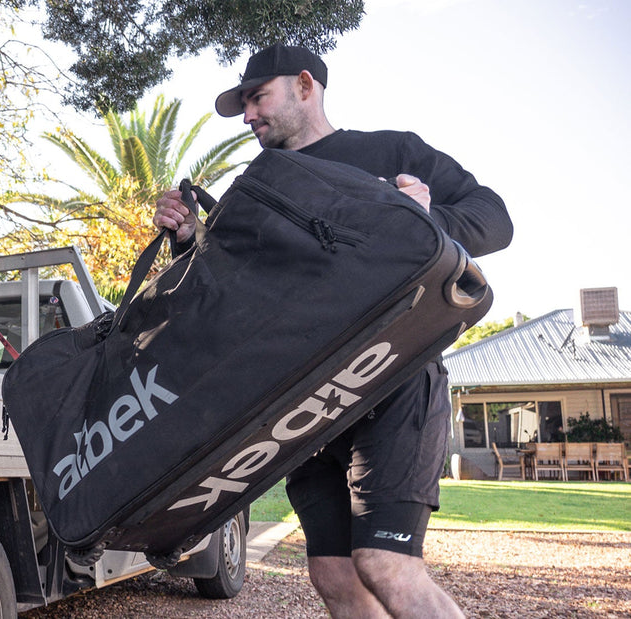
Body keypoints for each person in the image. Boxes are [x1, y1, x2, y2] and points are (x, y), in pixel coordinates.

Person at [154, 44, 512, 618]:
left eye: (256, 97)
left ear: (304, 85)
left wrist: (426, 218)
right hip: (302, 406)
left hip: (390, 378)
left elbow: (495, 218)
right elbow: (224, 296)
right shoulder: (255, 185)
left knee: (385, 564)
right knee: (333, 575)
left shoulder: (390, 149)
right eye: (243, 104)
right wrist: (188, 238)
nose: (248, 116)